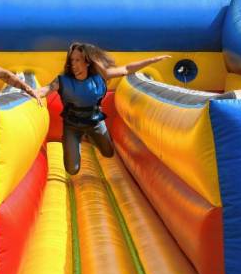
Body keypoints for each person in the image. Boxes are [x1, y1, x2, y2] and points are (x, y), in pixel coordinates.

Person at [34, 42, 170, 175]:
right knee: (72, 169)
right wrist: (31, 92)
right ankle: (73, 141)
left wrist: (153, 60)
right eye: (72, 60)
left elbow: (127, 69)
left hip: (95, 123)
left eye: (78, 60)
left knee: (108, 152)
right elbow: (45, 90)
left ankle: (89, 137)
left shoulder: (99, 77)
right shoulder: (62, 81)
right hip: (72, 126)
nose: (74, 64)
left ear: (87, 62)